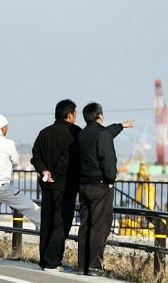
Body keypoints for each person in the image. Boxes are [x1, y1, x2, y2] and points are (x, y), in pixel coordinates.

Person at [77, 102, 133, 276]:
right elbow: (108, 159)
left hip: (84, 184)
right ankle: (94, 266)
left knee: (85, 224)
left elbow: (105, 133)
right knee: (100, 225)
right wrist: (110, 180)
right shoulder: (102, 134)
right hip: (100, 185)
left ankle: (83, 265)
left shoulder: (82, 134)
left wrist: (121, 126)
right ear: (100, 115)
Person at [0, 114, 41, 264]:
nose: (7, 129)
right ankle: (42, 224)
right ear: (2, 127)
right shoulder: (8, 143)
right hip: (1, 185)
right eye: (6, 126)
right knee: (26, 205)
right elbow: (16, 162)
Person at [30, 99, 81, 272]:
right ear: (69, 115)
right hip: (65, 186)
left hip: (46, 185)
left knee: (47, 223)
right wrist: (57, 175)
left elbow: (35, 155)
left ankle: (44, 260)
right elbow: (67, 159)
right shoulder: (75, 133)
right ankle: (53, 262)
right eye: (75, 114)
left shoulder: (44, 132)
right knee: (62, 223)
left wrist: (45, 171)